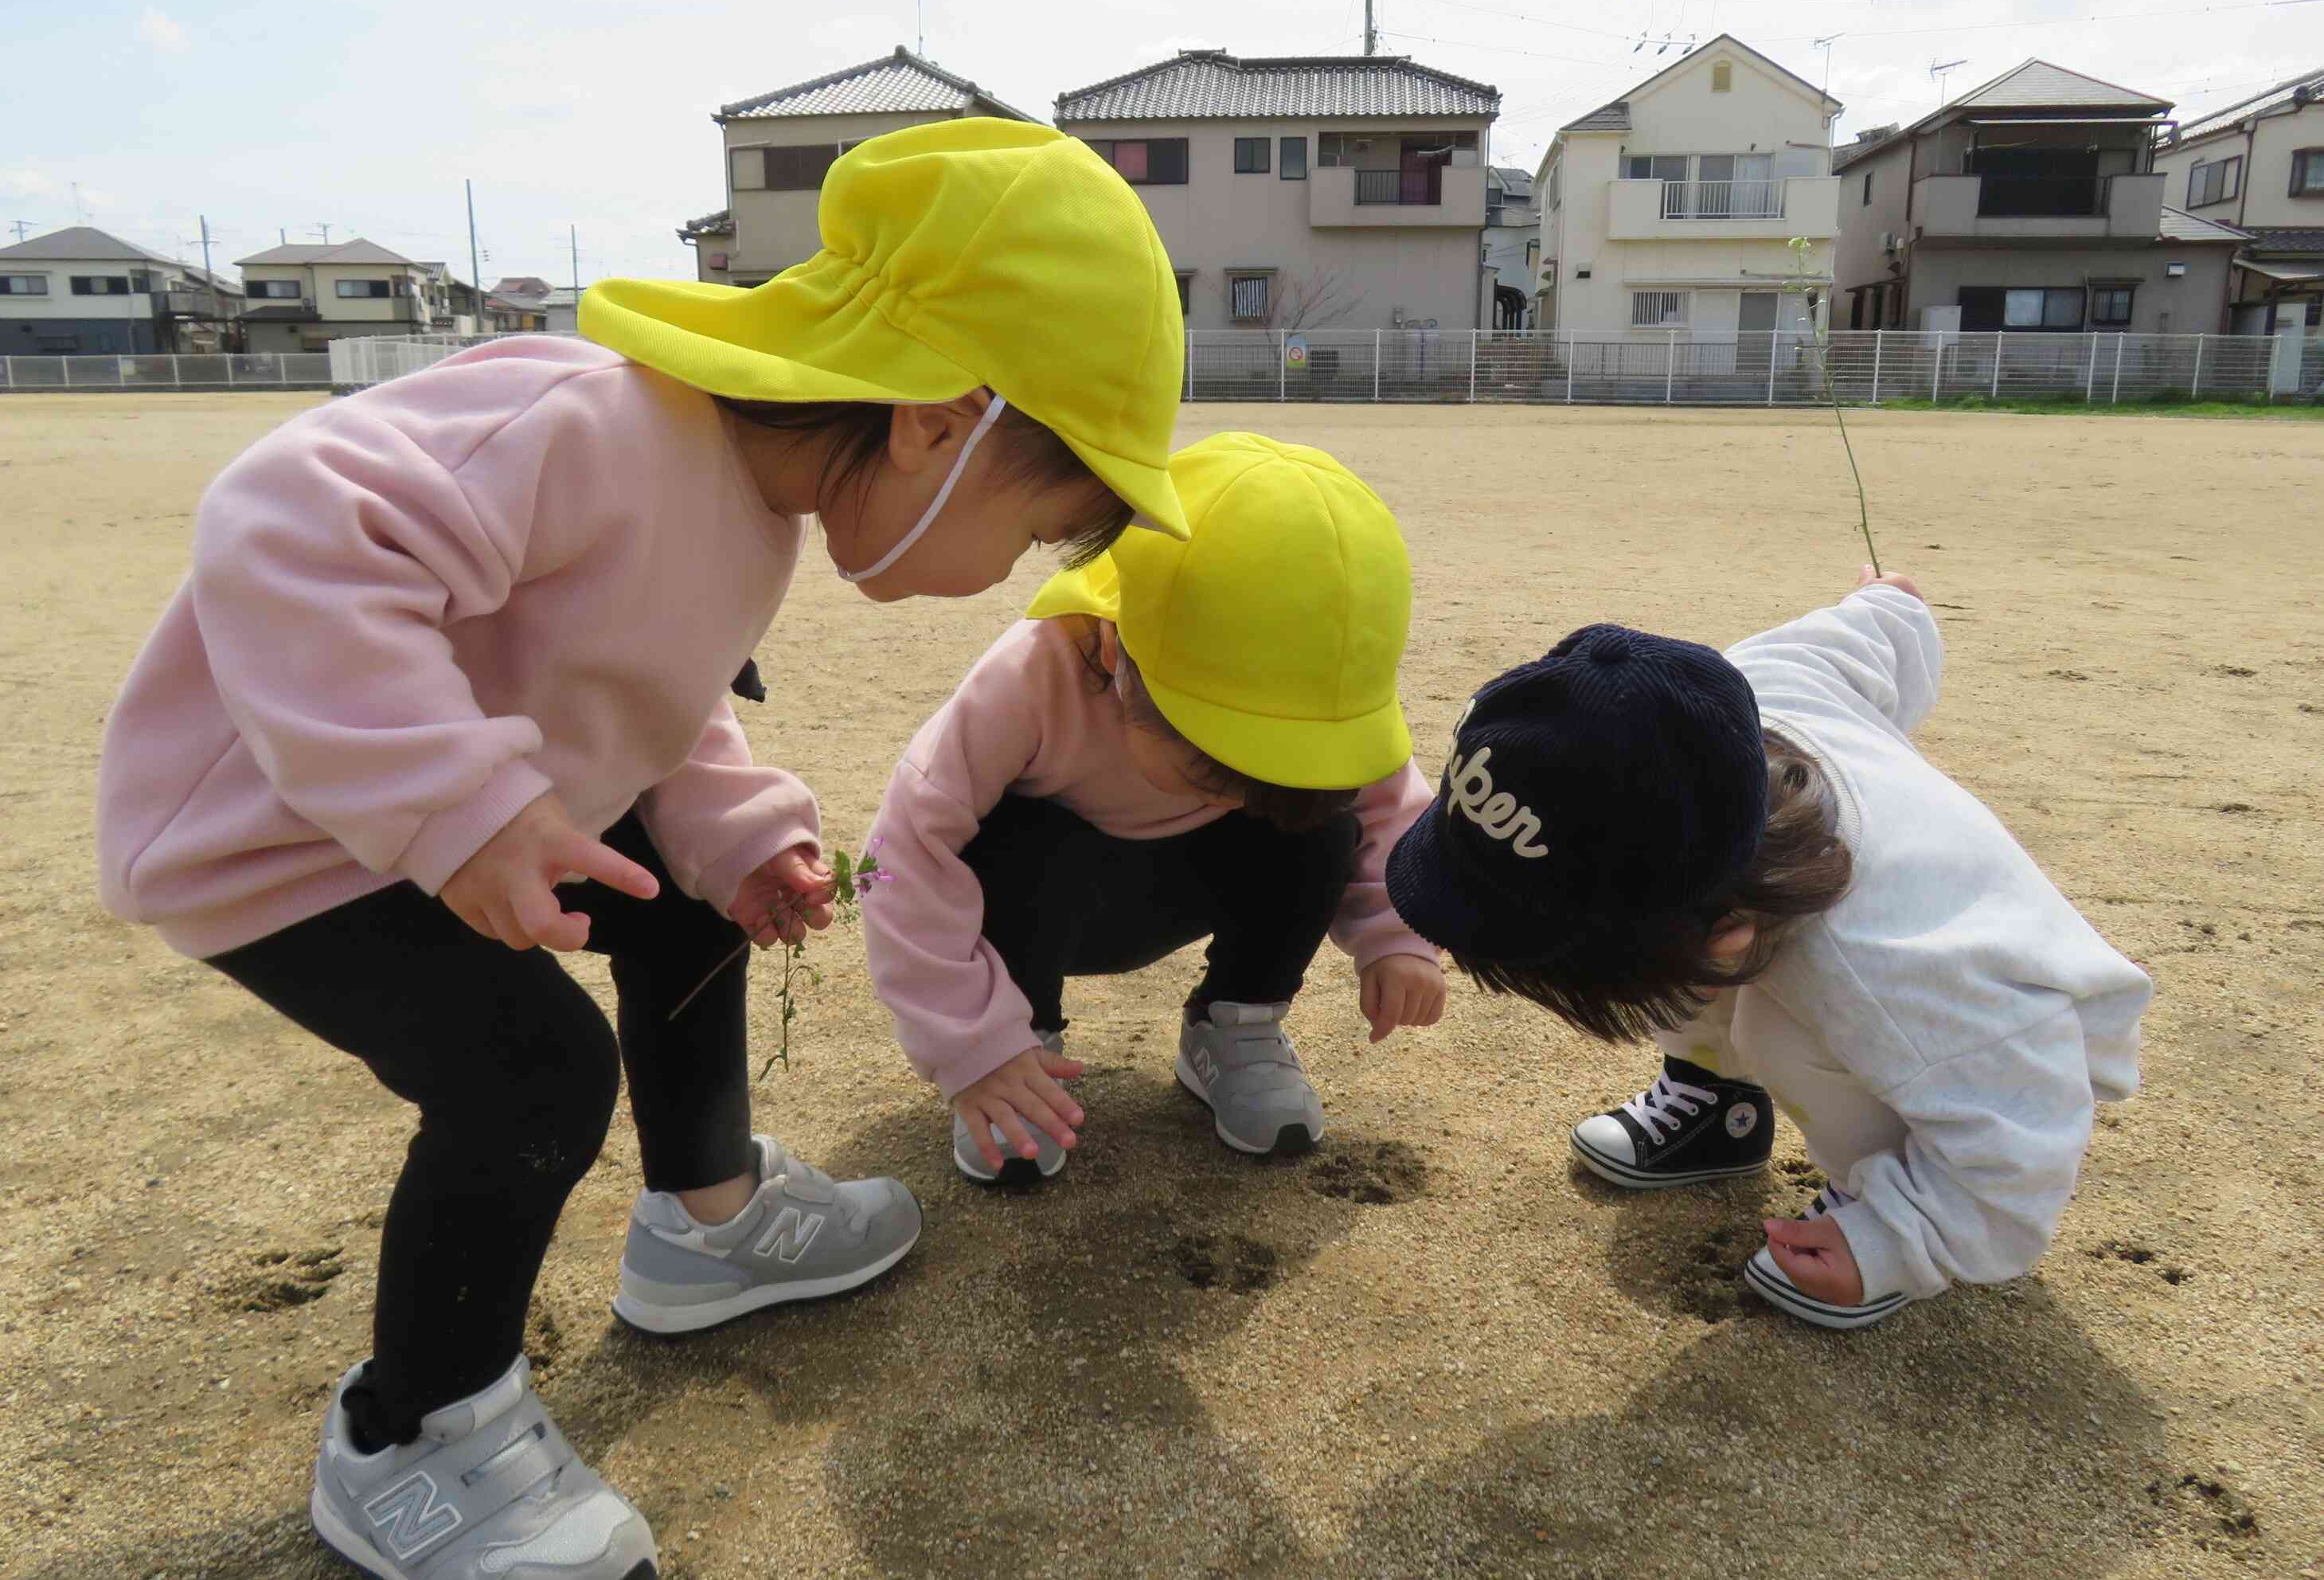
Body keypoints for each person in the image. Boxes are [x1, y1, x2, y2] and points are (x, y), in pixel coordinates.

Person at [93, 119, 1193, 1580]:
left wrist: (733, 836)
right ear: (942, 418)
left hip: (446, 809)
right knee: (530, 1071)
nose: (1002, 574)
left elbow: (653, 702)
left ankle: (706, 1216)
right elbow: (286, 522)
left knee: (688, 902)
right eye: (1035, 520)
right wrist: (461, 805)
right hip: (282, 837)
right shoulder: (590, 421)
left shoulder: (748, 508)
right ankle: (407, 1436)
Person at [1385, 568, 2151, 1329]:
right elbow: (1865, 638)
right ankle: (1718, 1106)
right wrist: (1892, 602)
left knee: (1772, 1031)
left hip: (2019, 1046)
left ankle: (1877, 1192)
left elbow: (2023, 1130)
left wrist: (1901, 1239)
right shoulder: (1729, 705)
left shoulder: (1893, 971)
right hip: (1836, 968)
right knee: (1680, 968)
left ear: (1730, 935)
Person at [860, 432, 1447, 1184]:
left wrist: (1397, 936)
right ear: (1115, 654)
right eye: (1211, 759)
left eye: (1272, 762)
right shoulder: (1031, 676)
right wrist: (970, 1045)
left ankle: (1235, 1025)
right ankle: (1021, 1051)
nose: (1237, 792)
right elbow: (900, 855)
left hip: (1196, 888)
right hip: (1041, 912)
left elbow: (1387, 799)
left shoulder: (1306, 677)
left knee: (1316, 822)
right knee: (1019, 837)